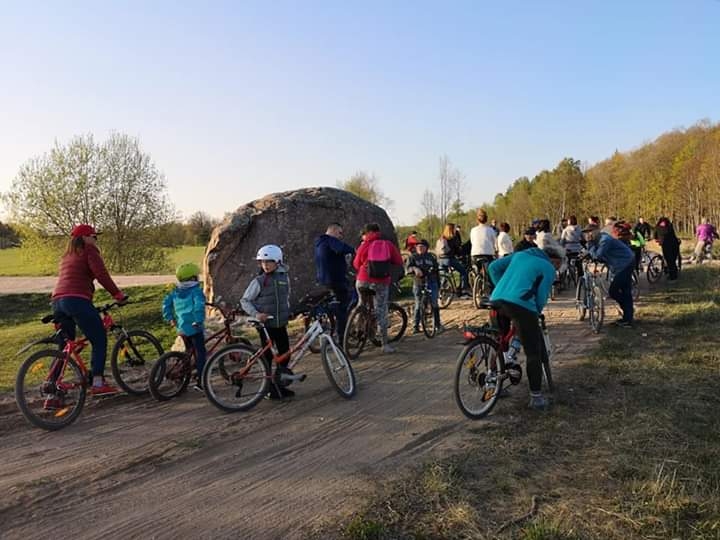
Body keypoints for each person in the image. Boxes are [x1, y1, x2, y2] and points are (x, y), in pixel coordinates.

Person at [51, 224, 127, 398]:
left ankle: (53, 392)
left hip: (57, 302)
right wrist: (118, 295)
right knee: (99, 338)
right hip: (76, 300)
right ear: (85, 237)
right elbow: (101, 274)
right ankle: (98, 383)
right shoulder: (89, 250)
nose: (95, 239)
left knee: (64, 347)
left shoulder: (67, 256)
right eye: (94, 236)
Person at [488, 242, 565, 411]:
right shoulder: (548, 268)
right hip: (521, 305)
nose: (558, 270)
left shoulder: (520, 255)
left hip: (496, 299)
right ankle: (536, 398)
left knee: (499, 343)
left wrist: (502, 287)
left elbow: (493, 267)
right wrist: (535, 313)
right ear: (555, 260)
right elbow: (541, 297)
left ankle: (493, 383)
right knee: (533, 352)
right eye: (559, 265)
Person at [241, 244, 295, 399]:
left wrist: (288, 312)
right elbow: (245, 300)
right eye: (262, 263)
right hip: (266, 325)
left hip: (281, 323)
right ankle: (269, 388)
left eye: (268, 262)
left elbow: (286, 298)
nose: (265, 265)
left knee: (285, 354)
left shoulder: (284, 277)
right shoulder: (259, 281)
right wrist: (257, 314)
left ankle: (279, 384)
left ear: (278, 261)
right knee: (268, 357)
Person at [353, 223, 404, 353]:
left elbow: (356, 263)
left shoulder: (364, 245)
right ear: (378, 232)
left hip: (363, 280)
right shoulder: (387, 244)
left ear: (367, 233)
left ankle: (357, 328)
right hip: (381, 282)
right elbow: (398, 261)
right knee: (381, 309)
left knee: (361, 303)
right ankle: (385, 345)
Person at [163, 262, 207, 391]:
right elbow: (199, 306)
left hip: (182, 328)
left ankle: (182, 374)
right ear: (193, 278)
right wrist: (198, 320)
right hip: (194, 327)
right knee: (200, 353)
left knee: (188, 351)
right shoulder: (196, 291)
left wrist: (170, 318)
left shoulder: (175, 291)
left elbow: (166, 304)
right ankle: (201, 381)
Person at [584, 223, 635, 327]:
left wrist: (590, 245)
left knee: (613, 291)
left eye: (590, 232)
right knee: (625, 291)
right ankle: (628, 317)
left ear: (596, 231)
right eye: (586, 233)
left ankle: (627, 313)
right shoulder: (599, 240)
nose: (588, 234)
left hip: (625, 263)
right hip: (624, 262)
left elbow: (598, 255)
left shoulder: (604, 240)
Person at [314, 223, 355, 342]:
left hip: (324, 280)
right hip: (335, 280)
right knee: (343, 308)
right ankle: (341, 339)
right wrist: (354, 250)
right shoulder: (330, 240)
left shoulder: (320, 242)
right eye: (340, 233)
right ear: (333, 230)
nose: (341, 236)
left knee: (332, 303)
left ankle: (330, 320)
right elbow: (342, 248)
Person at [406, 239, 443, 334]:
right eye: (418, 246)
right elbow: (407, 269)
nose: (420, 248)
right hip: (418, 282)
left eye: (422, 246)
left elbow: (436, 271)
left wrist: (439, 285)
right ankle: (416, 326)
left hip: (432, 281)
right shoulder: (413, 257)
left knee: (434, 303)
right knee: (418, 304)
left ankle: (437, 325)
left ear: (426, 248)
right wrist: (414, 268)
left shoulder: (431, 257)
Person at [436, 223, 470, 296]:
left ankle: (441, 291)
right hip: (449, 259)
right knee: (463, 272)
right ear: (452, 229)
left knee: (445, 275)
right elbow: (457, 250)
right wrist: (460, 255)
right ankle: (463, 290)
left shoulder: (441, 237)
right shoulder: (453, 238)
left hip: (440, 259)